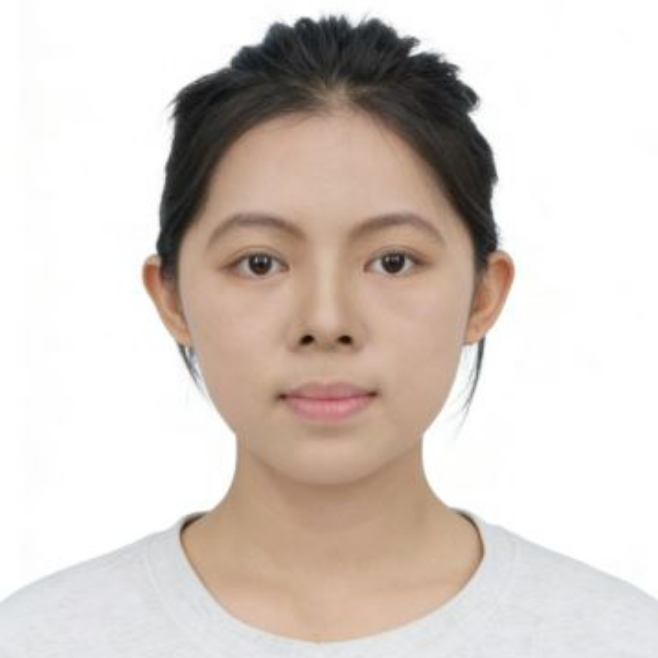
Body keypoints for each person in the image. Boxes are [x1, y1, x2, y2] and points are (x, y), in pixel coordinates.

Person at [2, 12, 657, 657]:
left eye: (393, 261)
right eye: (260, 263)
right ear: (170, 296)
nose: (326, 322)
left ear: (483, 295)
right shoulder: (37, 638)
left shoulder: (620, 638)